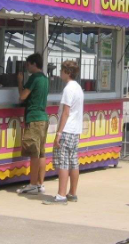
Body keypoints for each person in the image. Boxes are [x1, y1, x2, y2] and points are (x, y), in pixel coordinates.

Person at [44, 60, 84, 205]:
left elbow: (66, 112)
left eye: (62, 70)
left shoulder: (68, 89)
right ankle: (72, 192)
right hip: (75, 131)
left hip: (66, 129)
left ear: (67, 72)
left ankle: (61, 195)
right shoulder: (78, 88)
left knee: (63, 162)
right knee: (73, 162)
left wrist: (58, 133)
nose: (60, 73)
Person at [16, 53, 49, 195]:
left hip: (34, 118)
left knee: (33, 153)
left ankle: (32, 184)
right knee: (41, 153)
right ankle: (40, 184)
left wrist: (19, 82)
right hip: (43, 118)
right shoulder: (45, 79)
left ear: (34, 64)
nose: (27, 67)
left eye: (28, 64)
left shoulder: (34, 78)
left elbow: (22, 96)